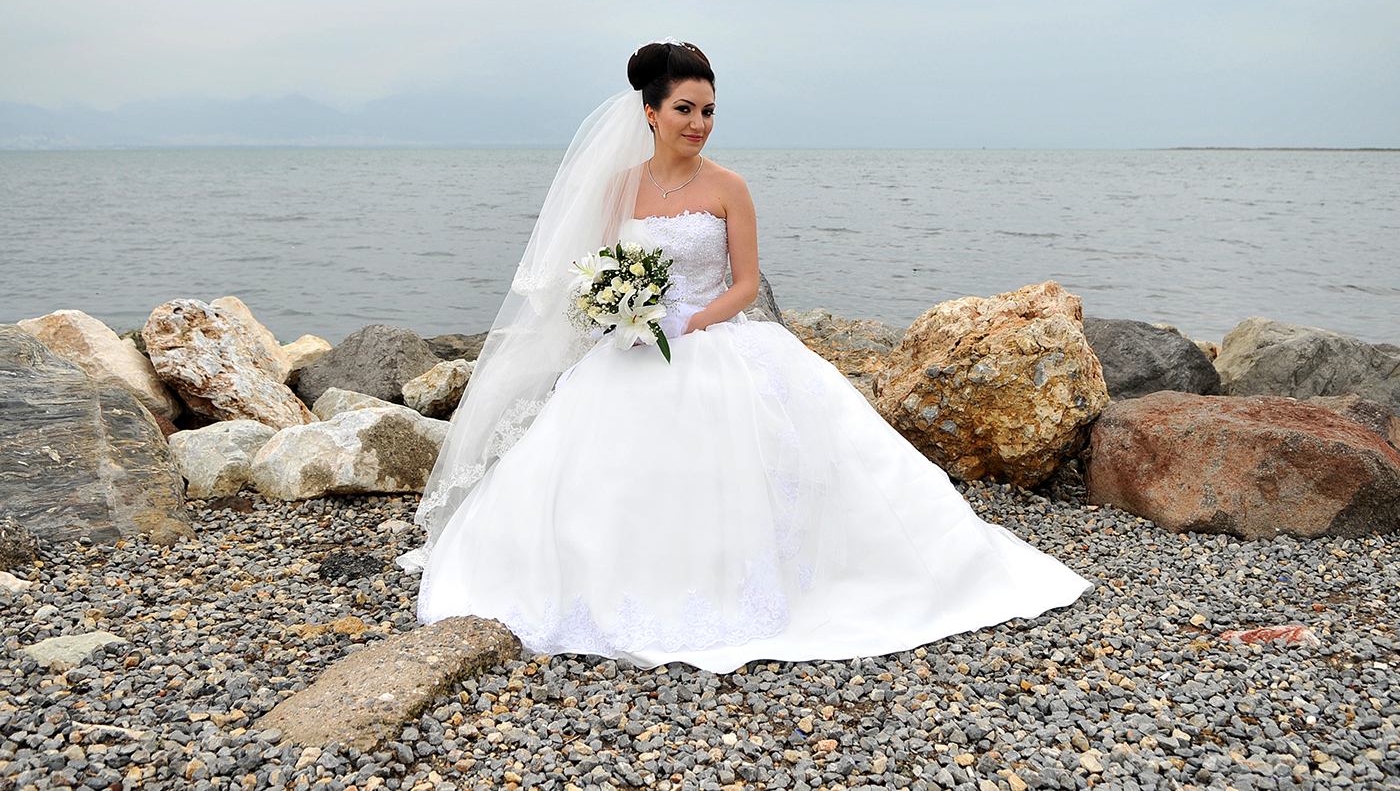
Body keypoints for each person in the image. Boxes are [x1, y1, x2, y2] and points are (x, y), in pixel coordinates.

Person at [407, 39, 1089, 672]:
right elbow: (591, 272)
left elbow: (744, 285)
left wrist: (690, 321)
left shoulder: (728, 187)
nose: (699, 123)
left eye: (708, 111)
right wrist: (619, 313)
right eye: (685, 109)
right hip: (632, 345)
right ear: (650, 112)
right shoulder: (617, 188)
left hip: (714, 339)